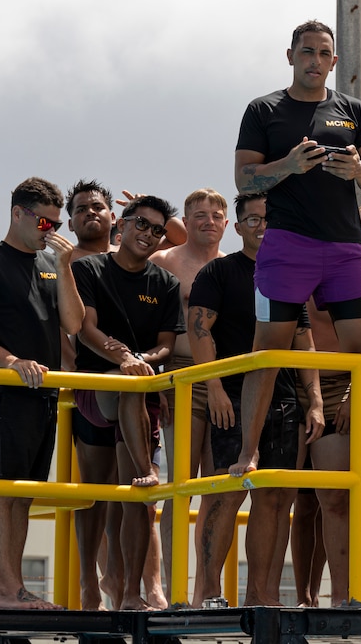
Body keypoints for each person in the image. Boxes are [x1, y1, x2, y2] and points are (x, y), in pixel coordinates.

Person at [229, 19, 361, 493]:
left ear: (335, 61)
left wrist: (357, 167)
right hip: (288, 245)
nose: (315, 60)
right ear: (290, 56)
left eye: (323, 53)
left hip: (344, 248)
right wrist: (289, 165)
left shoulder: (353, 109)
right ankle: (247, 453)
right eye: (306, 51)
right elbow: (243, 180)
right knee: (268, 351)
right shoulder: (263, 109)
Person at [187, 193, 324, 606]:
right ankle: (210, 592)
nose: (262, 227)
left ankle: (260, 596)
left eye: (268, 220)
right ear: (238, 226)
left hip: (284, 403)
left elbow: (304, 342)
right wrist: (213, 387)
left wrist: (315, 399)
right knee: (226, 493)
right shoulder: (219, 272)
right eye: (253, 220)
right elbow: (199, 330)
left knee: (277, 499)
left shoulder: (287, 276)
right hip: (230, 398)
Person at [0, 177, 84, 610]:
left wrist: (65, 268)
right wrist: (10, 362)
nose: (51, 228)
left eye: (57, 221)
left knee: (25, 493)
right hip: (8, 391)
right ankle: (7, 590)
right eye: (44, 220)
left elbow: (74, 324)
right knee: (3, 489)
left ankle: (16, 589)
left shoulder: (52, 264)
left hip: (44, 392)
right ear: (18, 213)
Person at [71, 195, 185, 610]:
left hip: (139, 392)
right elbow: (86, 330)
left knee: (134, 500)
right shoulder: (88, 268)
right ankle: (89, 583)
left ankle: (132, 592)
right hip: (95, 389)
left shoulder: (165, 283)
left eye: (157, 230)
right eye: (142, 224)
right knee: (95, 493)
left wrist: (140, 362)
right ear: (122, 224)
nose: (149, 234)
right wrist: (124, 359)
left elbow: (166, 347)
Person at [149, 188, 228, 590]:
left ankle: (206, 590)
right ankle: (173, 587)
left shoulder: (234, 267)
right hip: (177, 374)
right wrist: (156, 378)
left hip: (226, 378)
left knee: (217, 489)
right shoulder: (164, 263)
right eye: (198, 214)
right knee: (180, 485)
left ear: (226, 223)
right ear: (186, 219)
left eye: (216, 214)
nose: (208, 221)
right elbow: (141, 319)